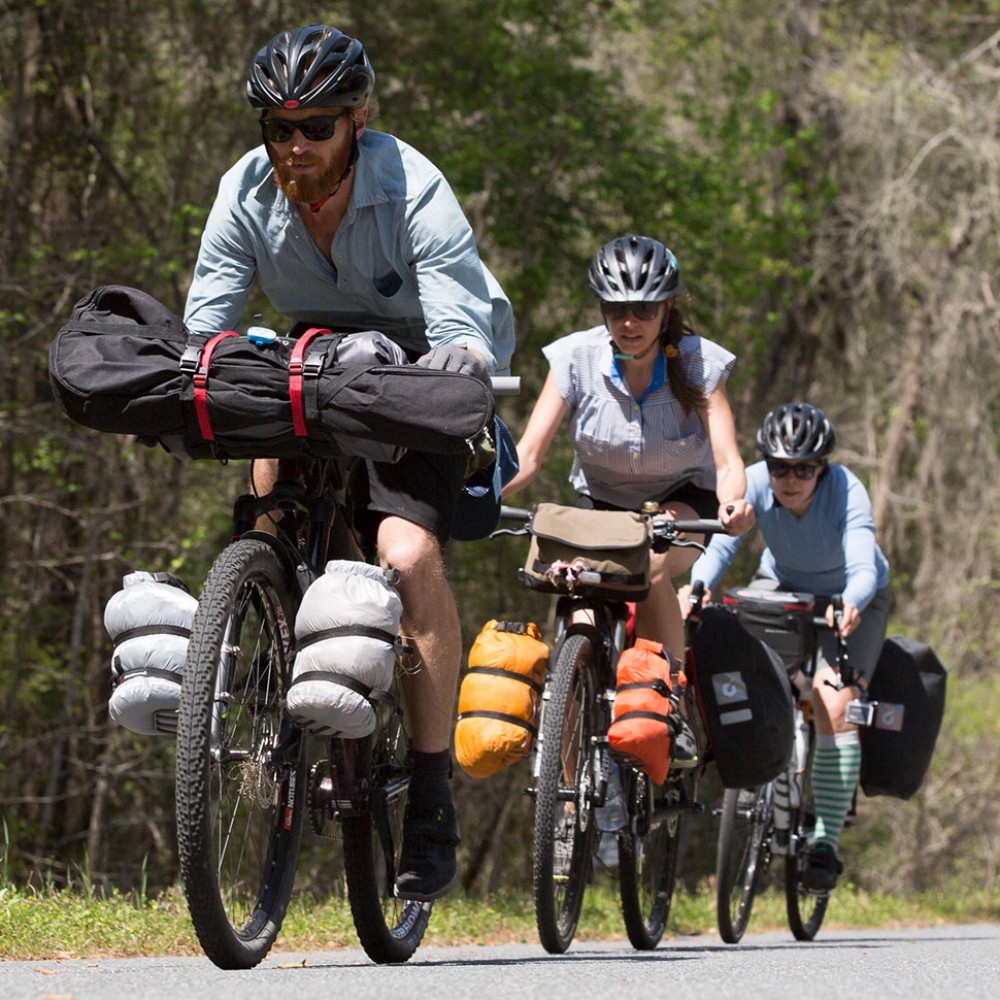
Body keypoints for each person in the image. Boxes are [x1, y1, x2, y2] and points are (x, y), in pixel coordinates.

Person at [183, 24, 516, 902]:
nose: (296, 147)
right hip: (313, 357)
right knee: (264, 504)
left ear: (358, 121)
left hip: (416, 371)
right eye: (280, 128)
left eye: (317, 127)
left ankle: (433, 793)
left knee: (404, 558)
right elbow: (207, 325)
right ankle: (267, 640)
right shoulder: (244, 191)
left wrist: (457, 371)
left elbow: (458, 328)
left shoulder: (415, 187)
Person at [503, 234, 755, 760]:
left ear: (666, 308)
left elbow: (729, 460)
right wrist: (476, 494)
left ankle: (671, 700)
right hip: (601, 506)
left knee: (655, 561)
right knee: (580, 622)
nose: (628, 322)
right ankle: (568, 792)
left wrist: (734, 504)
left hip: (681, 502)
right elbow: (527, 455)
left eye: (642, 309)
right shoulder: (575, 358)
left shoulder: (699, 363)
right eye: (616, 309)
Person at [681, 401, 891, 890]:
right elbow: (723, 544)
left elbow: (862, 562)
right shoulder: (753, 482)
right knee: (753, 672)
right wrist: (699, 585)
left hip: (850, 599)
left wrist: (852, 600)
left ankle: (825, 843)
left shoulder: (846, 491)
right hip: (784, 590)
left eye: (803, 469)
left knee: (834, 702)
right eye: (780, 467)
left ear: (821, 468)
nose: (790, 479)